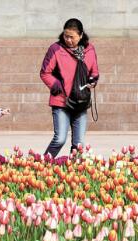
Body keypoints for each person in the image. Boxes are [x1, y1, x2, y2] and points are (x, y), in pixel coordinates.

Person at [40, 18, 99, 158]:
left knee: (79, 145)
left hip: (81, 101)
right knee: (60, 139)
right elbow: (45, 72)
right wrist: (56, 86)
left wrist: (93, 80)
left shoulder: (89, 50)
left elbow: (94, 71)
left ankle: (74, 175)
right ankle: (42, 165)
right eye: (66, 36)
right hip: (62, 101)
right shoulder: (56, 49)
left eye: (71, 37)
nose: (68, 39)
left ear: (81, 35)